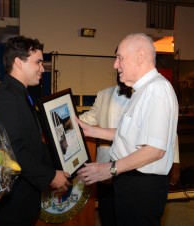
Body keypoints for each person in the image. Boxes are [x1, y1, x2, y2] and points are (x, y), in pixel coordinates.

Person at [76, 33, 179, 226]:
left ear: (140, 57)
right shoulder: (142, 90)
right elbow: (129, 134)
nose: (115, 65)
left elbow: (155, 150)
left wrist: (110, 169)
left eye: (120, 58)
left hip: (142, 185)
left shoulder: (157, 90)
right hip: (131, 180)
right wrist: (91, 130)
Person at [0, 36, 71, 226]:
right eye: (38, 62)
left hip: (24, 197)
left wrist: (58, 166)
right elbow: (14, 152)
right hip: (13, 204)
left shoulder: (19, 94)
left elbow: (32, 142)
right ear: (18, 62)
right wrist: (49, 176)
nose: (42, 68)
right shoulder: (6, 99)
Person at [79, 74, 133, 226]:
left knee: (130, 216)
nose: (119, 67)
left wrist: (175, 160)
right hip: (104, 169)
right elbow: (90, 118)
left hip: (131, 169)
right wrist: (67, 121)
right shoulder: (104, 94)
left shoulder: (144, 95)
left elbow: (162, 131)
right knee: (107, 213)